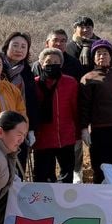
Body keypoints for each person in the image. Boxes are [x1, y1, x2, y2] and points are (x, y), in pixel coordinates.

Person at [79, 39, 112, 183]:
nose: (102, 56)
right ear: (94, 57)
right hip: (102, 131)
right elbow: (83, 107)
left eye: (105, 53)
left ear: (110, 56)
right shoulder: (88, 79)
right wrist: (84, 128)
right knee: (103, 168)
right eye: (98, 54)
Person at [32, 48, 79, 183]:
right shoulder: (34, 84)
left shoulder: (70, 82)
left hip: (66, 136)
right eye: (48, 62)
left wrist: (79, 133)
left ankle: (66, 202)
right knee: (43, 176)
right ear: (41, 64)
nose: (52, 64)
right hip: (43, 138)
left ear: (61, 64)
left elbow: (76, 108)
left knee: (66, 174)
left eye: (56, 62)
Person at [1, 31, 39, 175]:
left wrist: (31, 129)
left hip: (19, 126)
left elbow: (32, 102)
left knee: (18, 169)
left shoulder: (27, 72)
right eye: (15, 45)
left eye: (23, 47)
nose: (19, 50)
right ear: (6, 47)